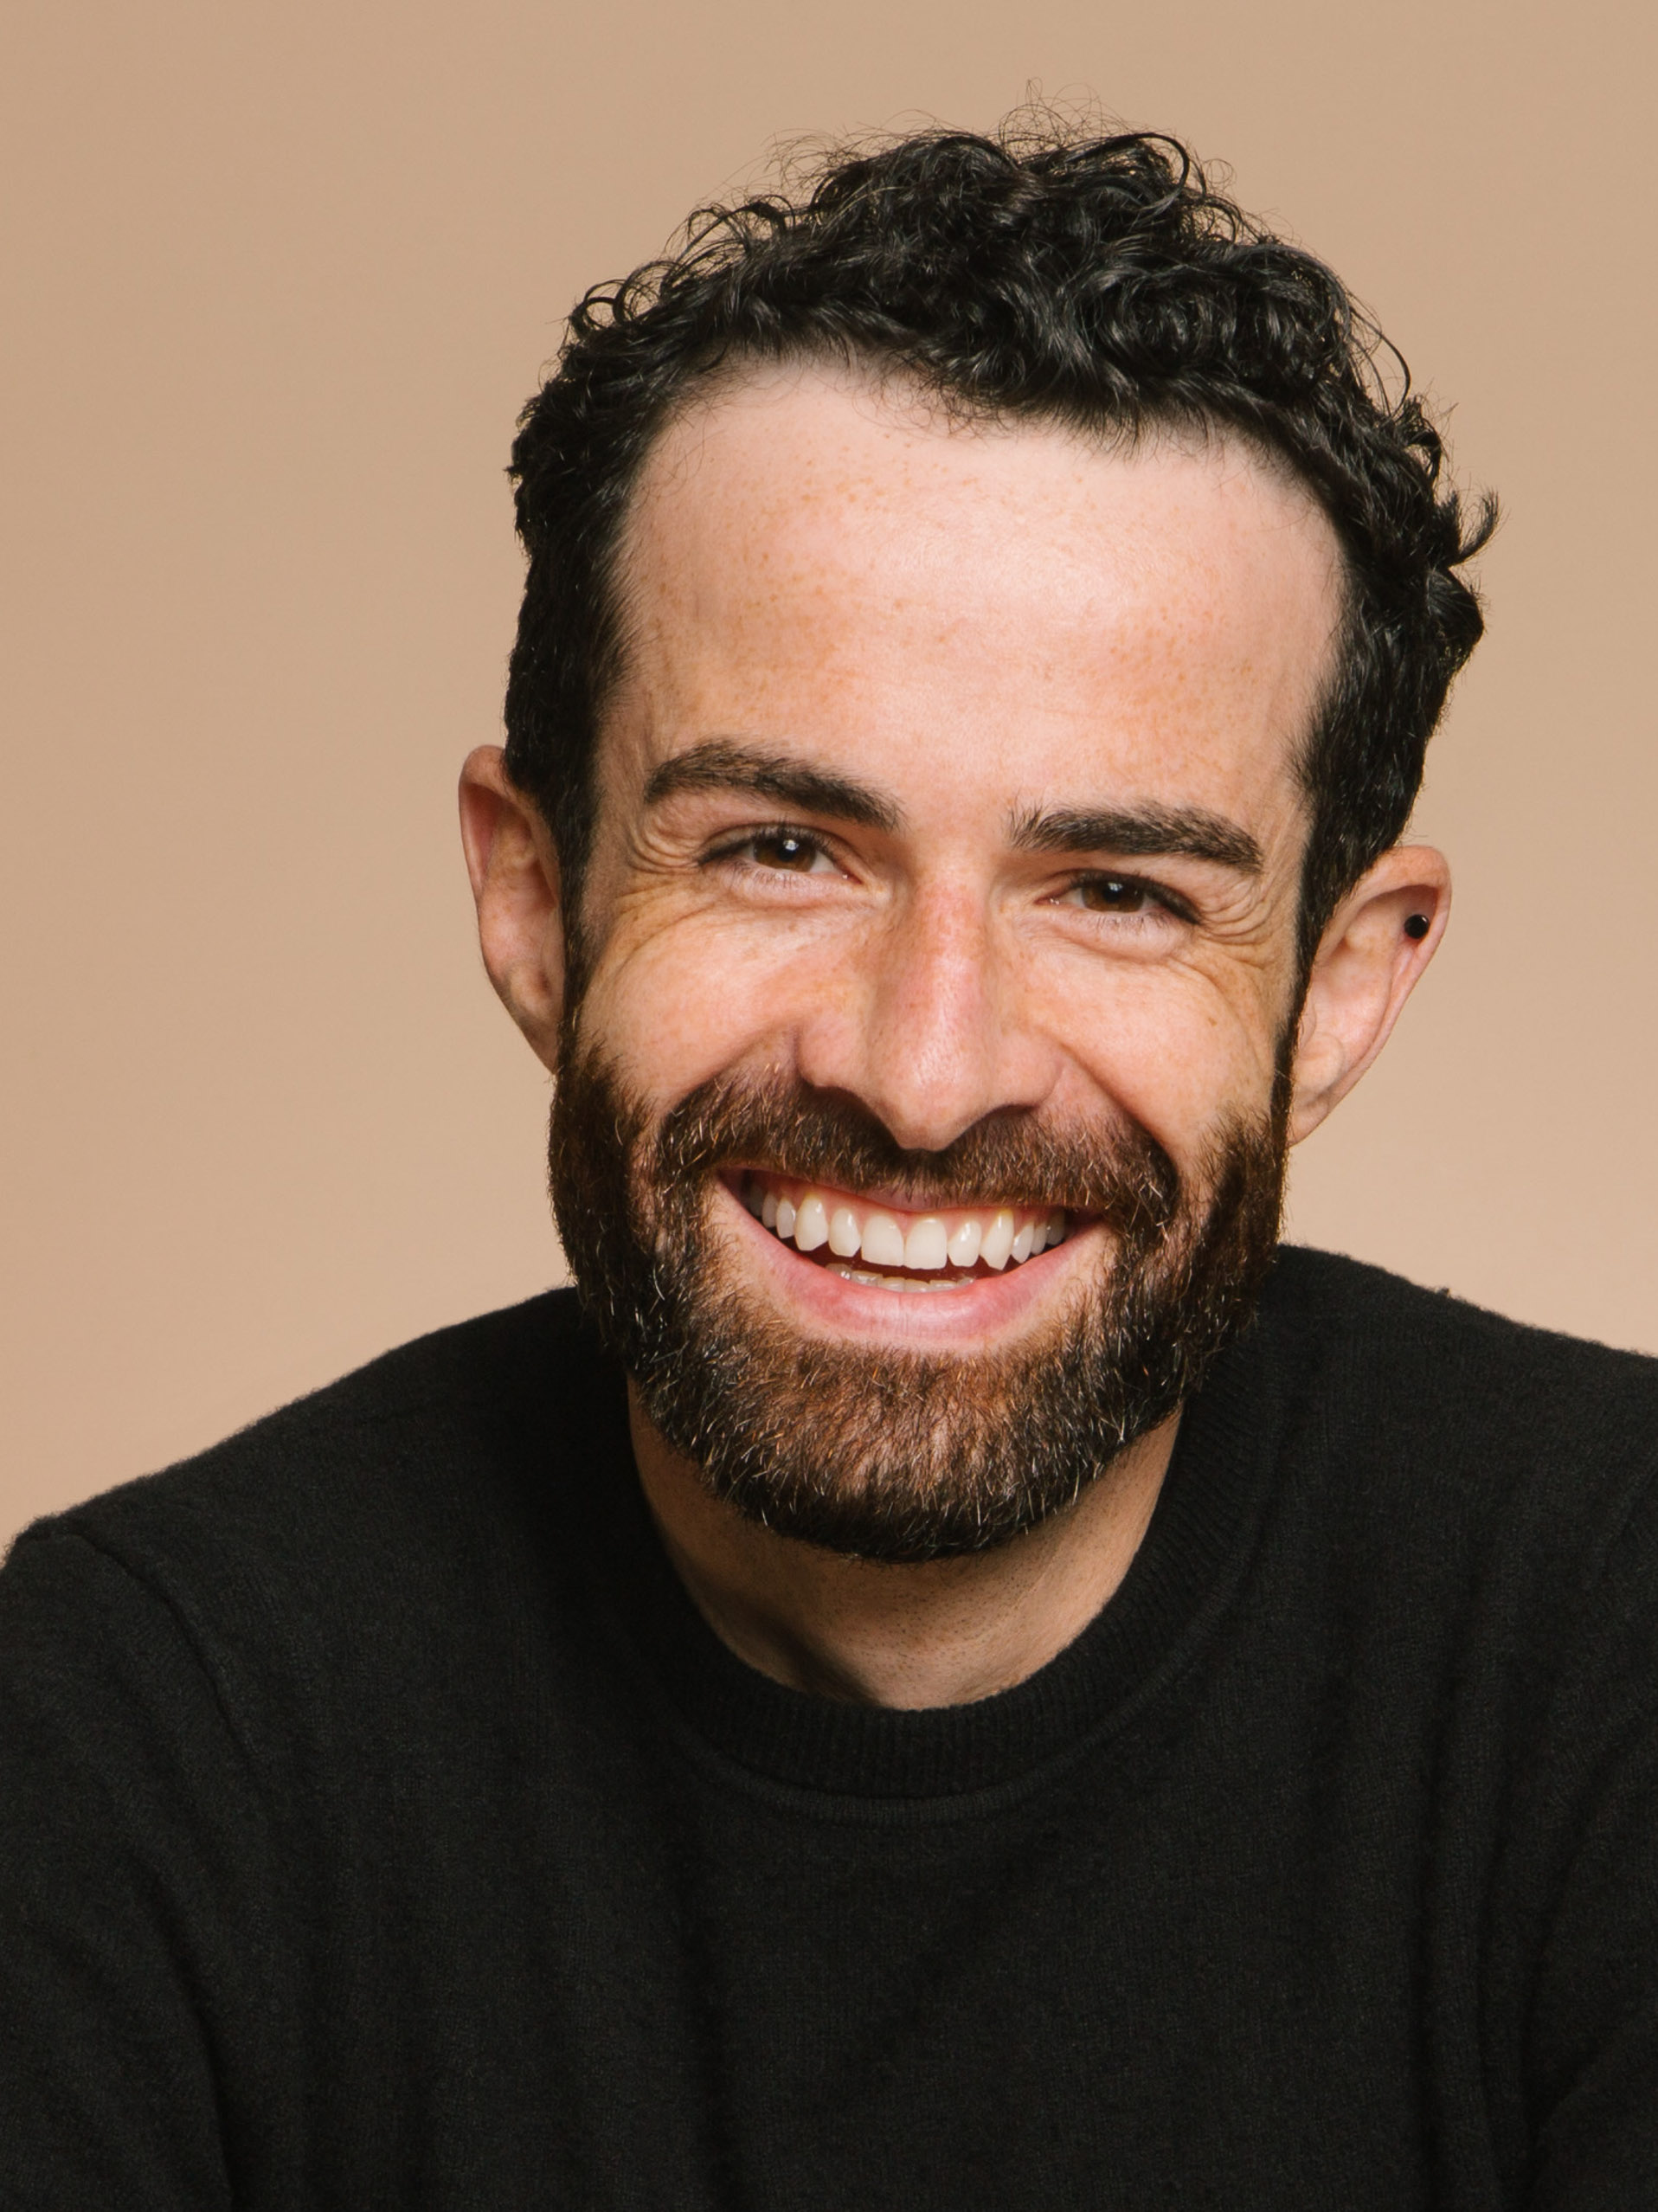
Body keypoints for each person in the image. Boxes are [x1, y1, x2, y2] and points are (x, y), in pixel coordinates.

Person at [3, 118, 1654, 2210]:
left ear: (1337, 992)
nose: (926, 1068)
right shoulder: (151, 1724)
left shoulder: (1610, 1638)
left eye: (1120, 888)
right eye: (783, 851)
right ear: (535, 901)